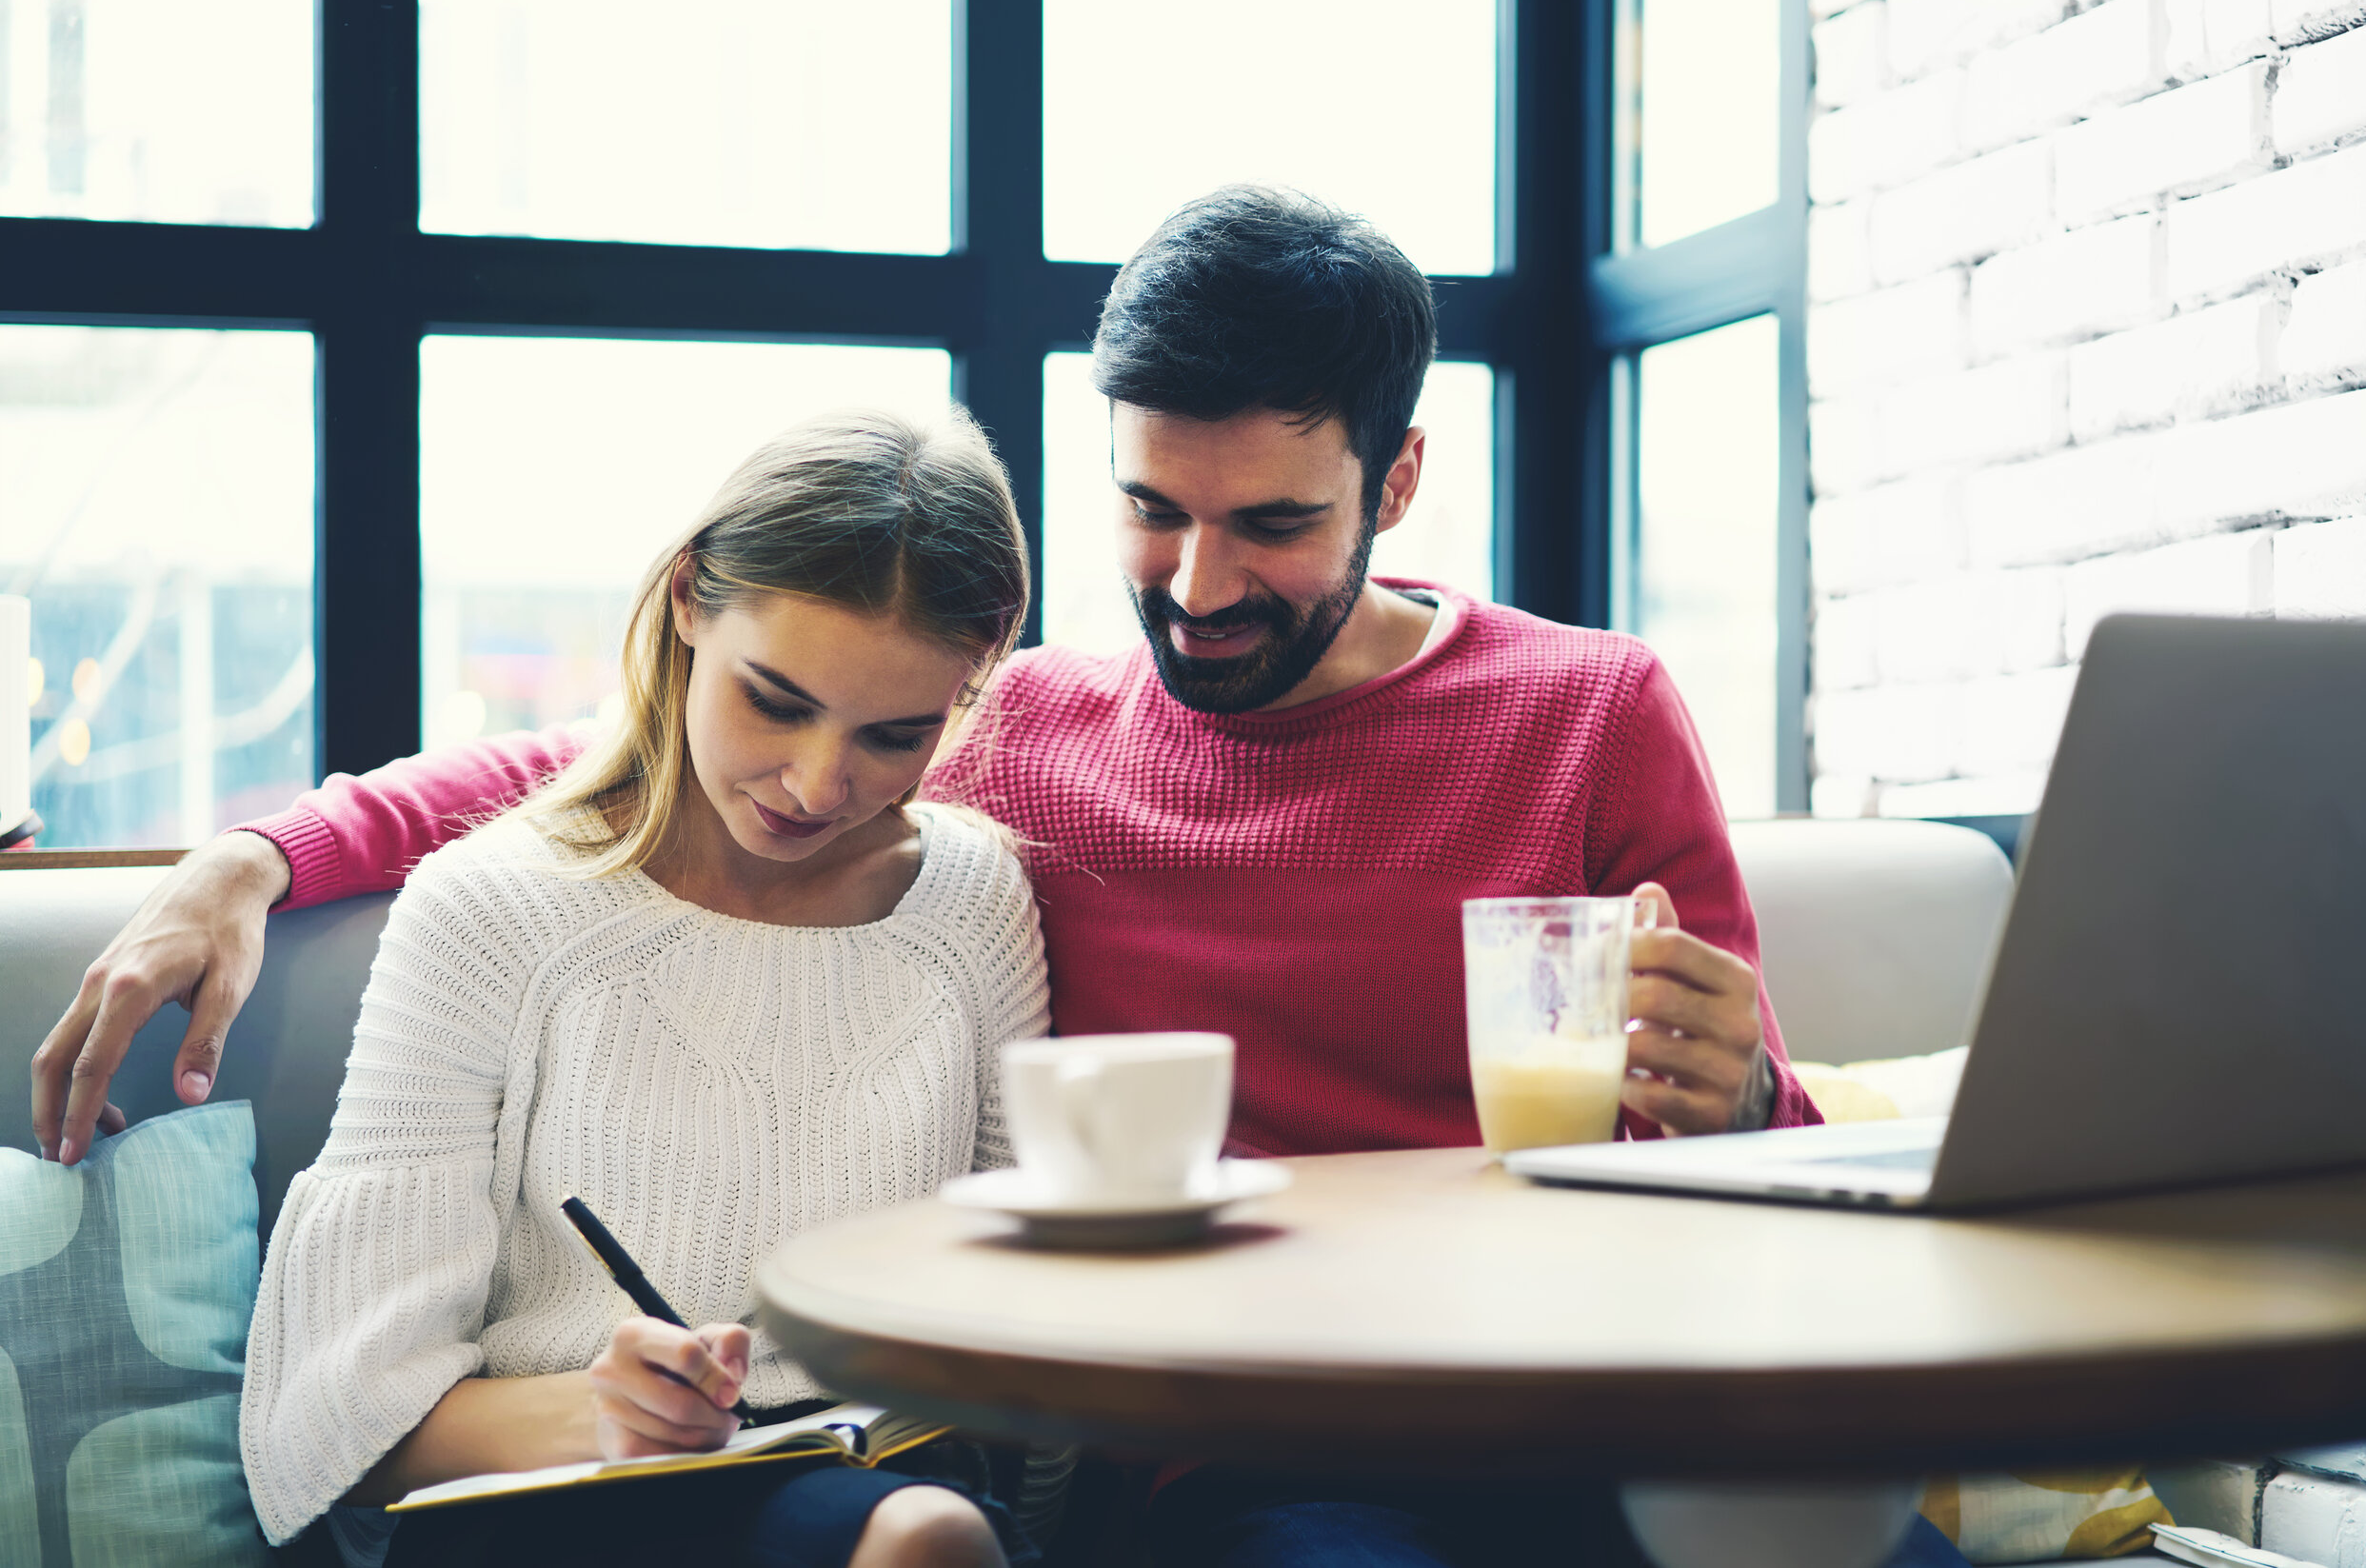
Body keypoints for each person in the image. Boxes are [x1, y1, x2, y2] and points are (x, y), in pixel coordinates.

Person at [36, 188, 1822, 1564]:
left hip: (1552, 1404)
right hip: (1231, 1461)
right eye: (1150, 510)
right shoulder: (1009, 729)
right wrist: (259, 852)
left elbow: (1757, 1177)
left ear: (1398, 480)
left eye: (1271, 526)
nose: (1198, 588)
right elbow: (609, 779)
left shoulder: (1592, 715)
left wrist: (1744, 1089)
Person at [235, 409, 1055, 1568]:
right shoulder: (491, 911)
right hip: (547, 1498)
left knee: (925, 1528)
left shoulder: (971, 901)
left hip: (875, 1488)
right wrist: (602, 1412)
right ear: (685, 601)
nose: (819, 783)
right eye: (775, 700)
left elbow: (1029, 1299)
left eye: (896, 734)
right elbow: (338, 1423)